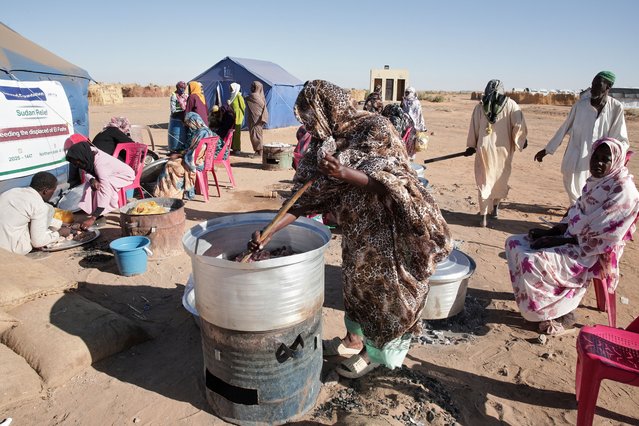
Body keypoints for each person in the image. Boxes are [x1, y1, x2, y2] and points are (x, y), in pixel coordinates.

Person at [248, 80, 452, 378]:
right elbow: (303, 201)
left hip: (388, 233)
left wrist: (345, 173)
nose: (309, 124)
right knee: (356, 289)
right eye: (305, 118)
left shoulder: (375, 128)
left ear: (328, 108)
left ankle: (377, 355)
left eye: (311, 116)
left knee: (386, 296)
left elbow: (395, 183)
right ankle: (353, 341)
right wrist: (268, 232)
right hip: (358, 232)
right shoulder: (323, 144)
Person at [506, 138, 639, 335]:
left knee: (532, 259)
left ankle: (562, 312)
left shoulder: (624, 191)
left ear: (616, 161)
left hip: (593, 250)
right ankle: (533, 299)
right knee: (514, 243)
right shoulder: (597, 181)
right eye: (596, 157)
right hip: (571, 237)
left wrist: (559, 240)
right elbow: (575, 212)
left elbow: (604, 235)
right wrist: (552, 231)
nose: (598, 163)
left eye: (605, 159)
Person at [534, 71, 628, 204]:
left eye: (598, 84)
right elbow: (564, 128)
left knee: (594, 189)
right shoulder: (580, 105)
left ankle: (580, 213)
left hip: (598, 160)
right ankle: (576, 210)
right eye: (592, 84)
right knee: (571, 183)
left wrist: (616, 157)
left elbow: (620, 137)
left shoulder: (616, 108)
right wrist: (547, 150)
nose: (593, 88)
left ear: (608, 86)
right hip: (576, 154)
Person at [464, 80, 528, 227]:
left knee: (484, 181)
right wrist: (521, 141)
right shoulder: (511, 105)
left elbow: (473, 127)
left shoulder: (480, 107)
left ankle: (484, 216)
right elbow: (518, 127)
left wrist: (471, 146)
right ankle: (495, 211)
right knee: (499, 180)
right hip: (503, 151)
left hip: (484, 150)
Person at [153, 112, 224, 200]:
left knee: (170, 165)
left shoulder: (201, 134)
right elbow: (195, 150)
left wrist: (178, 155)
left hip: (197, 163)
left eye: (189, 124)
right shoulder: (207, 131)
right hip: (205, 161)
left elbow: (193, 155)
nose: (189, 126)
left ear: (194, 122)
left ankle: (171, 194)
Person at [65, 141, 135, 230]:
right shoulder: (89, 154)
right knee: (90, 186)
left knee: (101, 187)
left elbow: (105, 191)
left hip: (125, 176)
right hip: (109, 174)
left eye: (77, 163)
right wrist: (92, 179)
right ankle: (98, 215)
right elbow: (85, 171)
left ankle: (97, 215)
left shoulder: (100, 165)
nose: (77, 165)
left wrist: (92, 218)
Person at [0, 172, 71, 255]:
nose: (53, 194)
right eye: (53, 191)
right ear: (45, 191)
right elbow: (38, 242)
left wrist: (60, 223)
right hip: (11, 250)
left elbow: (19, 215)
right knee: (49, 209)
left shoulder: (11, 192)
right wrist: (60, 233)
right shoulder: (39, 205)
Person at [245, 81, 269, 158]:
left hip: (255, 119)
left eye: (253, 86)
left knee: (255, 135)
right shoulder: (260, 96)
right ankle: (258, 151)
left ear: (256, 88)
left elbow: (247, 98)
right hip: (258, 118)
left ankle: (259, 152)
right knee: (258, 134)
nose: (251, 88)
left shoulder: (253, 96)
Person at [168, 81, 188, 151]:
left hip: (184, 118)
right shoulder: (174, 95)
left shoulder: (186, 95)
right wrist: (181, 114)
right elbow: (173, 110)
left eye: (184, 88)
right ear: (178, 88)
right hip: (176, 118)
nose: (183, 89)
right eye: (181, 88)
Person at [228, 82, 246, 154]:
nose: (230, 89)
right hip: (232, 117)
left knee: (237, 134)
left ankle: (237, 148)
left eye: (231, 88)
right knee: (233, 133)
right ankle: (233, 147)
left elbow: (243, 106)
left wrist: (239, 114)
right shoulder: (232, 96)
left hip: (238, 118)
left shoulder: (238, 96)